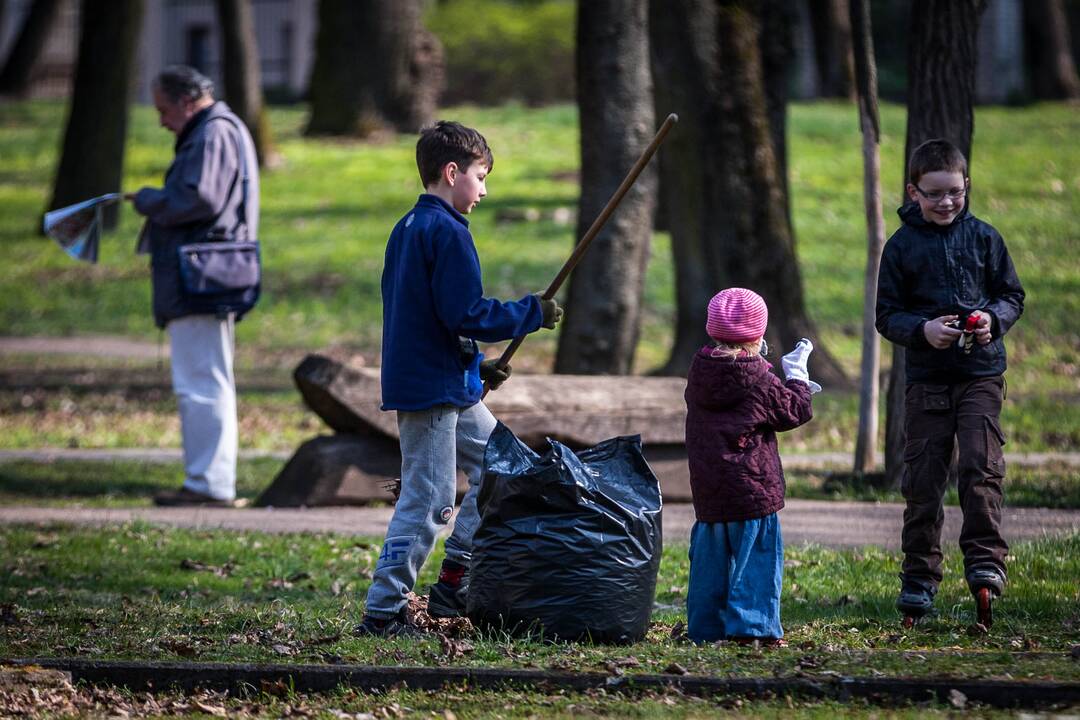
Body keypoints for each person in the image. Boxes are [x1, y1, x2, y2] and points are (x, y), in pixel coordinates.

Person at [356, 121, 562, 637]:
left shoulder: (409, 227)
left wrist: (474, 366)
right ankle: (383, 611)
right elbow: (466, 313)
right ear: (452, 172)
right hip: (431, 391)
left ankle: (453, 583)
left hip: (447, 380)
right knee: (429, 501)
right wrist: (530, 313)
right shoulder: (445, 231)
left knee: (505, 470)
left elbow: (430, 317)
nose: (485, 190)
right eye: (480, 176)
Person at [876, 138, 1024, 627]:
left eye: (954, 193)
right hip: (927, 382)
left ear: (967, 187)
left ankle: (985, 564)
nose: (945, 203)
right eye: (934, 193)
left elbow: (1012, 295)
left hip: (980, 374)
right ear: (913, 192)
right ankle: (919, 578)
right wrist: (923, 331)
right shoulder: (900, 247)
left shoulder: (986, 238)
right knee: (922, 482)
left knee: (981, 470)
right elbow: (886, 316)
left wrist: (991, 322)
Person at [127, 65, 260, 507]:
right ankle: (207, 480)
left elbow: (198, 197)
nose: (162, 121)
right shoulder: (218, 129)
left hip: (199, 279)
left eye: (164, 110)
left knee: (201, 380)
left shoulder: (213, 132)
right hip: (203, 276)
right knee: (204, 378)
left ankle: (208, 485)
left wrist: (151, 200)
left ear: (187, 101)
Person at [683, 288, 816, 645]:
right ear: (758, 334)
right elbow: (794, 411)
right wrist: (798, 376)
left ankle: (707, 628)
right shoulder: (757, 377)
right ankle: (752, 628)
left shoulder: (699, 371)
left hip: (710, 488)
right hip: (751, 488)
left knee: (709, 563)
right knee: (755, 559)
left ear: (713, 330)